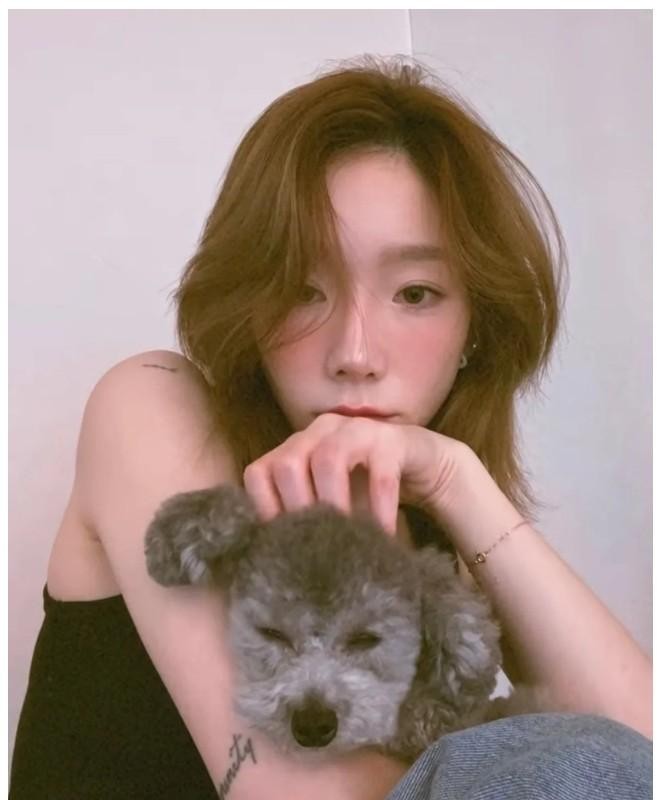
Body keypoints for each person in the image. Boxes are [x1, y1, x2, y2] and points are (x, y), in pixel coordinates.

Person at [10, 55, 651, 799]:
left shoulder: (428, 537)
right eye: (302, 290)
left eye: (415, 293)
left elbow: (638, 758)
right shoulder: (150, 405)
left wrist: (456, 480)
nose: (354, 353)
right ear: (250, 303)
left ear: (476, 324)